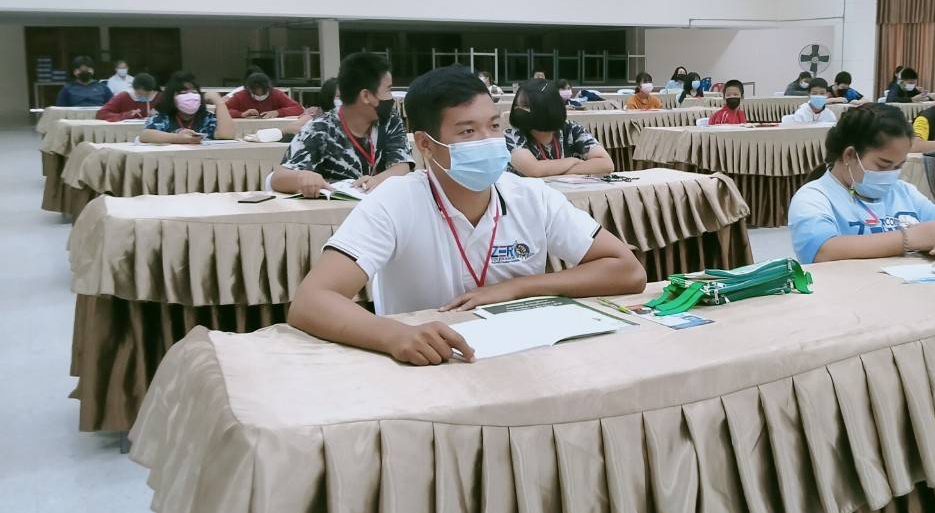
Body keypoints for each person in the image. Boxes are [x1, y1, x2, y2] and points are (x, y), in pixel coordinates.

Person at [286, 67, 647, 364]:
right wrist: (395, 336)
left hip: (523, 357)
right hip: (431, 364)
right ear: (426, 144)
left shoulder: (530, 196)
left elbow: (628, 270)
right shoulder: (394, 201)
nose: (489, 140)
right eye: (468, 131)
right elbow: (311, 301)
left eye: (494, 126)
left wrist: (518, 287)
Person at [789, 104, 935, 264]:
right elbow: (822, 251)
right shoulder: (813, 197)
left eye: (899, 166)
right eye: (883, 165)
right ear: (850, 156)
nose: (891, 174)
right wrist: (906, 239)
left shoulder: (902, 191)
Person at [273, 52, 414, 196]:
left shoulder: (389, 119)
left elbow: (402, 165)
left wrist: (378, 180)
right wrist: (302, 178)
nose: (391, 97)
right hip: (336, 208)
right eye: (388, 90)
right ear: (366, 96)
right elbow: (278, 178)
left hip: (379, 204)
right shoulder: (321, 129)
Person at [506, 79, 614, 177]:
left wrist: (553, 171)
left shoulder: (571, 129)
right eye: (517, 105)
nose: (518, 109)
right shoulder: (512, 134)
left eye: (526, 105)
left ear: (548, 108)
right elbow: (534, 170)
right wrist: (572, 161)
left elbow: (606, 164)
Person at [139, 72, 234, 144]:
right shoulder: (164, 117)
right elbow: (145, 135)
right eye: (183, 93)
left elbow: (226, 135)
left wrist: (218, 102)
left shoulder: (207, 118)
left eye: (194, 92)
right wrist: (179, 139)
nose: (190, 96)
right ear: (172, 97)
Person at [224, 71, 304, 119]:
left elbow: (298, 109)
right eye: (255, 92)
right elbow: (222, 111)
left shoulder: (276, 94)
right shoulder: (240, 96)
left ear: (268, 88)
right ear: (249, 90)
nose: (259, 95)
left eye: (263, 93)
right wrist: (241, 114)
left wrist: (277, 112)